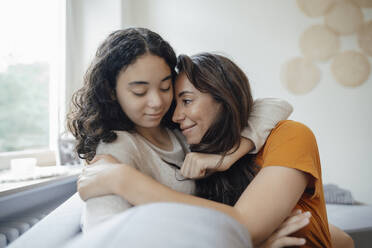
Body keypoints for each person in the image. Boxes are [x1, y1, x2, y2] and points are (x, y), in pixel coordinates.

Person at [77, 51, 353, 247]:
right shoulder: (198, 159)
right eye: (177, 105)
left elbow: (244, 226)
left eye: (186, 101)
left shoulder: (289, 136)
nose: (173, 116)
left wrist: (124, 179)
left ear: (223, 97)